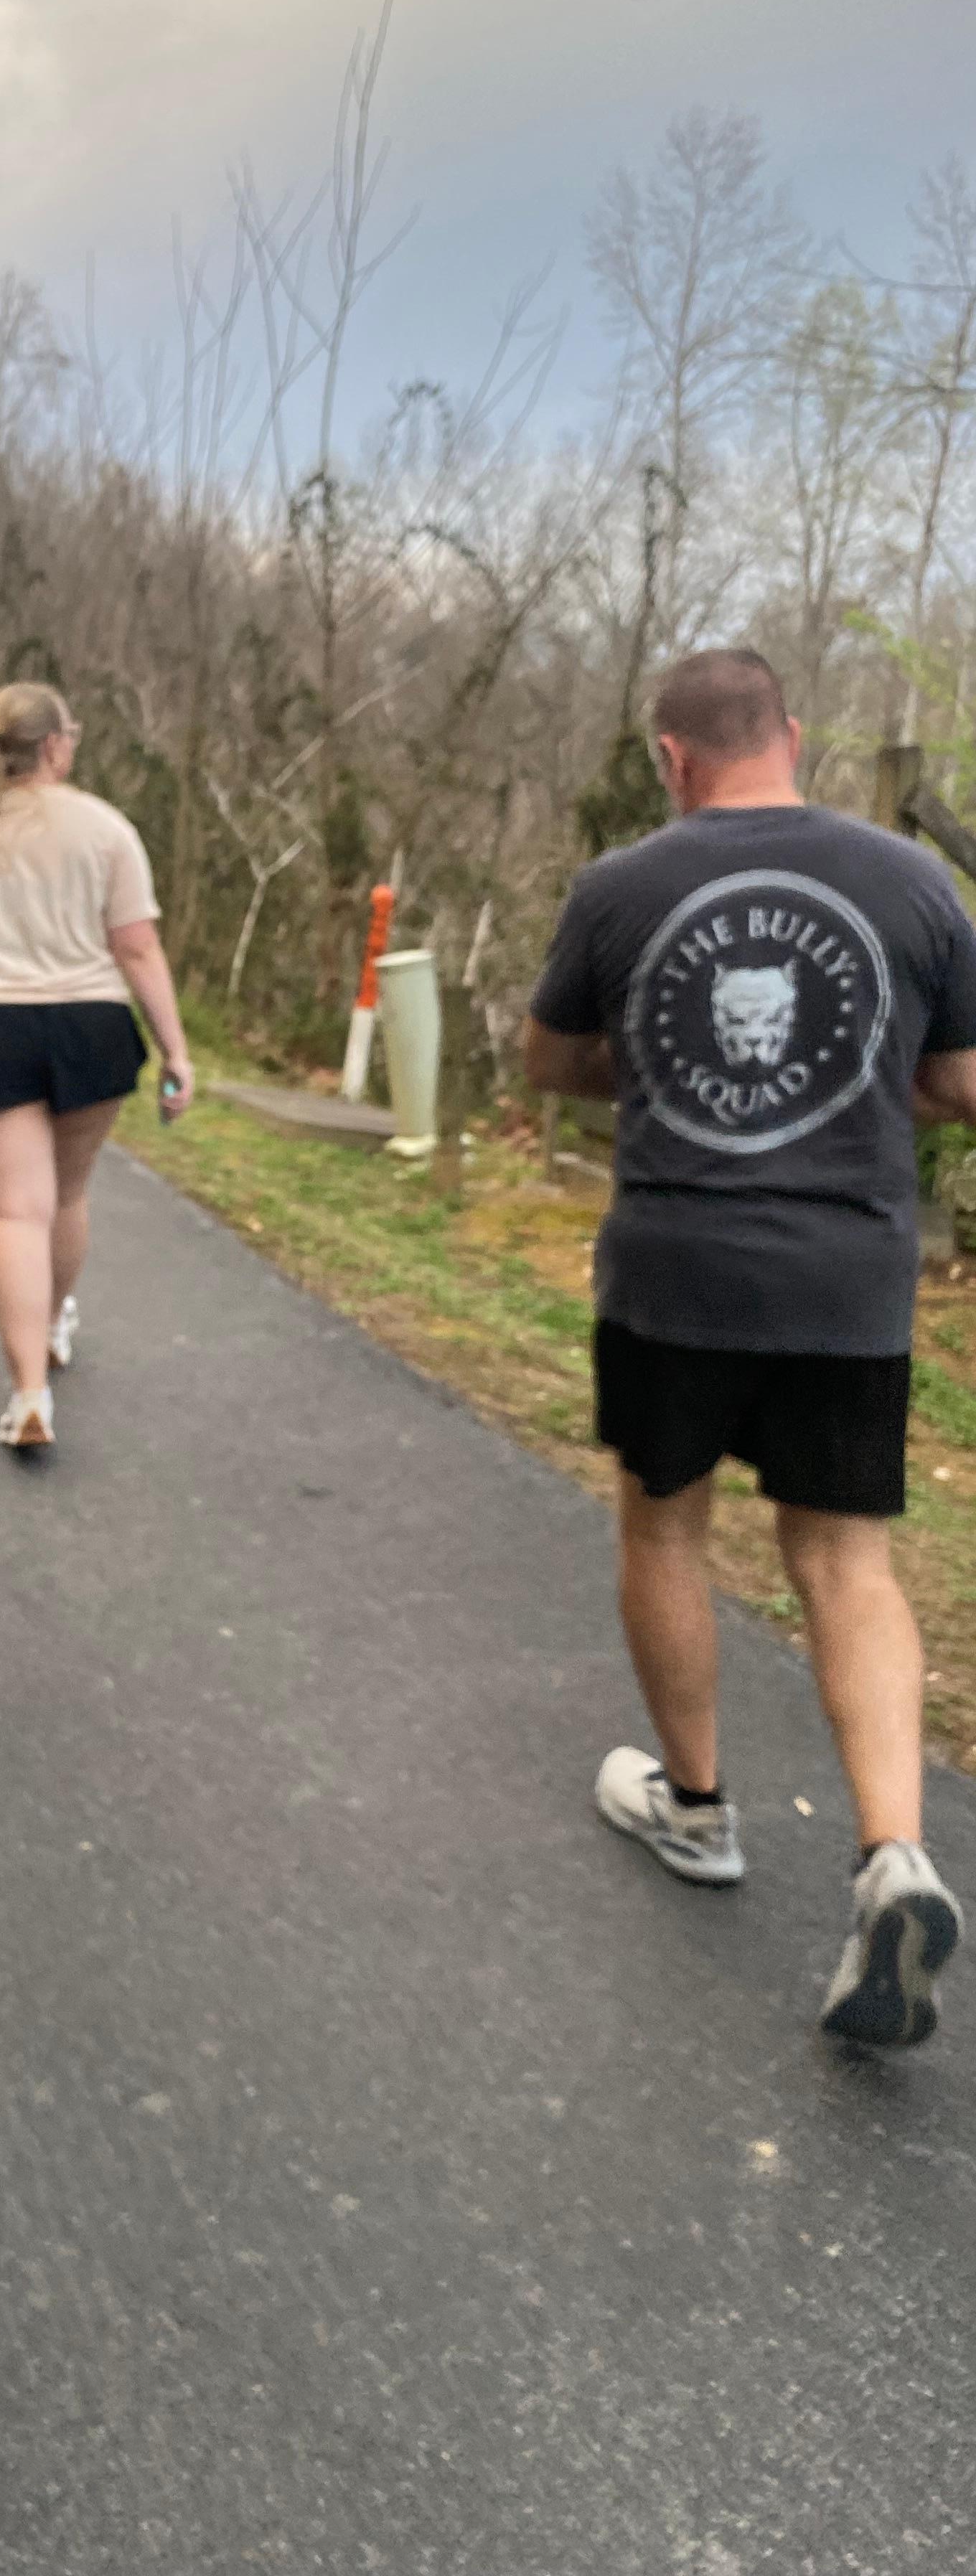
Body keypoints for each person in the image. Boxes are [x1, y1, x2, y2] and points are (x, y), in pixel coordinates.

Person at [524, 647, 976, 2049]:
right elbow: (961, 1084)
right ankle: (892, 1856)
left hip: (675, 1276)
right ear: (794, 736)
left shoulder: (619, 886)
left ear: (671, 758)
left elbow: (552, 1058)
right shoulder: (913, 885)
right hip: (847, 1278)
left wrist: (657, 1068)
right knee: (843, 1559)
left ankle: (701, 1812)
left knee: (665, 1528)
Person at [0, 682, 194, 1451]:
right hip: (91, 1026)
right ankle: (51, 1325)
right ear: (54, 747)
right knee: (66, 1196)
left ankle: (28, 1393)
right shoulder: (106, 828)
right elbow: (137, 946)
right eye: (71, 732)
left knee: (15, 1212)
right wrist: (175, 1049)